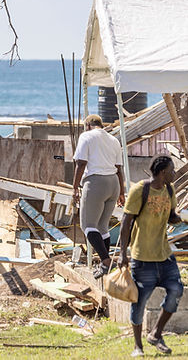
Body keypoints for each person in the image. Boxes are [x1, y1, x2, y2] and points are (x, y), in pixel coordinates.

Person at [118, 155, 184, 356]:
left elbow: (171, 216)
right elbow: (126, 222)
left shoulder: (169, 189)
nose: (175, 173)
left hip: (164, 254)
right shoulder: (141, 190)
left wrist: (182, 219)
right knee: (139, 302)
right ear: (163, 172)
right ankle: (138, 346)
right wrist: (123, 253)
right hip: (143, 257)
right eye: (172, 170)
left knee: (176, 291)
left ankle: (156, 333)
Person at [71, 113, 125, 278]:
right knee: (102, 226)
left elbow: (81, 163)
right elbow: (119, 168)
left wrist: (74, 188)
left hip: (96, 183)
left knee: (87, 225)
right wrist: (122, 192)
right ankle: (104, 264)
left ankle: (106, 261)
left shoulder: (86, 136)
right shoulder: (113, 140)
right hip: (113, 184)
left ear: (87, 125)